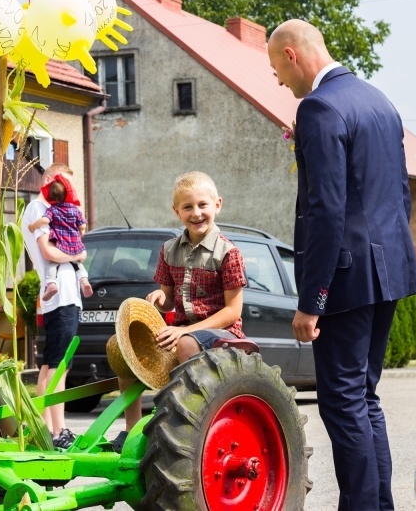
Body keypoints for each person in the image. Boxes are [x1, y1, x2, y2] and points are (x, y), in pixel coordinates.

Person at [267, 19, 416, 511]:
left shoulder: (318, 107)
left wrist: (312, 300)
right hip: (389, 270)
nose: (277, 81)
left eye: (275, 69)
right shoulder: (380, 101)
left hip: (345, 279)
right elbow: (401, 194)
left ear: (291, 54)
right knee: (364, 397)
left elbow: (325, 209)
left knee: (342, 402)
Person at [116, 171, 251, 438]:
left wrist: (185, 331)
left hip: (222, 335)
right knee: (123, 347)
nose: (196, 213)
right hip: (181, 332)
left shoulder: (228, 253)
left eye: (202, 205)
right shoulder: (169, 250)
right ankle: (132, 430)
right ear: (176, 211)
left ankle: (186, 425)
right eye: (188, 207)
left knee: (186, 344)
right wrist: (160, 299)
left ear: (217, 205)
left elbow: (232, 312)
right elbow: (168, 300)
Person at [21, 162, 86, 449]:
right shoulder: (39, 209)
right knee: (59, 366)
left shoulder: (47, 210)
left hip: (60, 294)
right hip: (61, 294)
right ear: (49, 180)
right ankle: (58, 430)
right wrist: (77, 255)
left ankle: (47, 428)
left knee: (51, 364)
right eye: (64, 183)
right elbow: (48, 250)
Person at [27, 173, 93, 301]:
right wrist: (82, 232)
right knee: (78, 263)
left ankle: (51, 284)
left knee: (52, 263)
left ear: (51, 196)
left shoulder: (53, 210)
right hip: (75, 244)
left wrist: (33, 226)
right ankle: (84, 281)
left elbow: (45, 220)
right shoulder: (74, 209)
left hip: (61, 244)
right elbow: (82, 224)